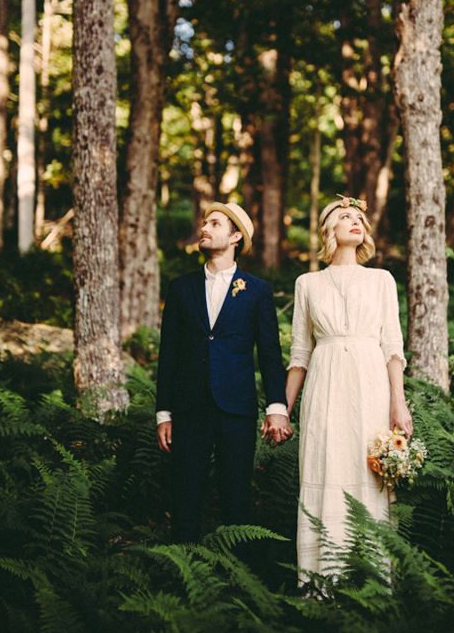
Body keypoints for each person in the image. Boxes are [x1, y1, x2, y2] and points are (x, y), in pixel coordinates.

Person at [284, 195, 413, 583]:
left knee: (366, 471)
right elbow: (300, 353)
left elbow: (392, 346)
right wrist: (281, 410)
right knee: (326, 466)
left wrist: (398, 404)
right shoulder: (307, 284)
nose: (355, 221)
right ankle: (322, 581)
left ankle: (372, 580)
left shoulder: (381, 280)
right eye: (345, 216)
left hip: (370, 387)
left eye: (360, 217)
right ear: (329, 230)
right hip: (324, 387)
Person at [155, 201, 292, 542]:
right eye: (205, 223)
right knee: (186, 496)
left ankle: (239, 578)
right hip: (189, 408)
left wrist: (277, 407)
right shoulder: (180, 287)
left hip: (237, 409)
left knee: (236, 498)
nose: (204, 228)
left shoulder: (257, 290)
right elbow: (168, 353)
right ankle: (184, 569)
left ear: (234, 237)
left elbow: (270, 353)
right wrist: (163, 412)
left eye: (214, 224)